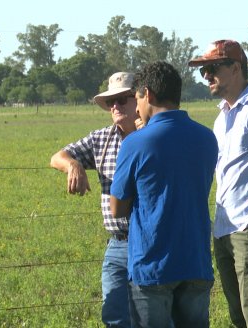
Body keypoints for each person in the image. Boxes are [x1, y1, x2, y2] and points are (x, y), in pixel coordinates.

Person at [110, 61, 218, 328]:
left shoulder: (135, 142)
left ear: (149, 94)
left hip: (152, 265)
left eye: (137, 98)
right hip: (196, 261)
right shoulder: (207, 138)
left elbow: (117, 209)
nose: (136, 108)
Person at [189, 39, 248, 327]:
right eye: (203, 71)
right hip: (224, 230)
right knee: (238, 316)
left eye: (212, 68)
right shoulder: (221, 117)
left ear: (236, 68)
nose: (206, 76)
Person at [50, 72, 138, 327]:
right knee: (114, 315)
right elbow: (57, 157)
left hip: (150, 242)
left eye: (123, 99)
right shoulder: (101, 139)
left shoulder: (154, 136)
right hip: (118, 242)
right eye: (111, 102)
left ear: (139, 99)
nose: (116, 107)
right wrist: (73, 165)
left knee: (153, 315)